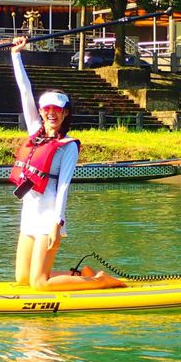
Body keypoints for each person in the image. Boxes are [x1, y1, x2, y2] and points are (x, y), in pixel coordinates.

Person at [9, 36, 125, 291]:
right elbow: (25, 91)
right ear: (41, 112)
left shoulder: (69, 145)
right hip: (29, 212)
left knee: (40, 283)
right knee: (23, 278)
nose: (51, 113)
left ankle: (99, 282)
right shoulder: (35, 131)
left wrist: (57, 223)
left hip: (49, 216)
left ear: (65, 113)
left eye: (57, 110)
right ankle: (80, 273)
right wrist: (16, 55)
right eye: (47, 109)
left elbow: (63, 187)